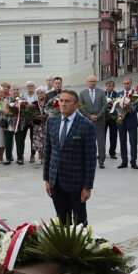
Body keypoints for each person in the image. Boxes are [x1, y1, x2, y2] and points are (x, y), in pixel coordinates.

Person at [43, 89, 96, 225]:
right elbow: (48, 151)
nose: (63, 104)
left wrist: (87, 186)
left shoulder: (86, 125)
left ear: (76, 104)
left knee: (80, 221)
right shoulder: (52, 122)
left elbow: (90, 159)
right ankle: (64, 245)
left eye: (67, 101)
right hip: (56, 181)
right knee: (62, 219)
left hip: (76, 182)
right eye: (61, 101)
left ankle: (80, 245)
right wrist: (47, 179)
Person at [79, 75, 107, 168]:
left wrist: (98, 116)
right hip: (87, 121)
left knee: (101, 141)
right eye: (90, 81)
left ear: (96, 82)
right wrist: (89, 116)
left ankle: (101, 160)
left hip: (100, 120)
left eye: (94, 81)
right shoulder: (82, 93)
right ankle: (88, 159)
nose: (92, 83)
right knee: (88, 141)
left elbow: (104, 105)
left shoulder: (102, 92)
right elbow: (80, 107)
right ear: (87, 82)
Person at [116, 77, 138, 169]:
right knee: (123, 142)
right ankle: (124, 161)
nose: (126, 85)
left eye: (128, 83)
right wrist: (120, 112)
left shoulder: (136, 94)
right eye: (124, 83)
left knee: (133, 142)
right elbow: (115, 107)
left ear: (131, 84)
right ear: (123, 84)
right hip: (121, 121)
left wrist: (131, 109)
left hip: (132, 122)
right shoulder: (118, 94)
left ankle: (133, 161)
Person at [2, 85, 28, 165]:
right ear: (10, 91)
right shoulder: (6, 99)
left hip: (20, 125)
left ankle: (20, 158)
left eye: (17, 89)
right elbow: (4, 109)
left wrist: (21, 113)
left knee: (20, 142)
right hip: (9, 124)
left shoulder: (23, 100)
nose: (15, 91)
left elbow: (26, 110)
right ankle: (8, 158)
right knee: (8, 142)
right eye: (14, 90)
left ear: (19, 91)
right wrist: (12, 113)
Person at [31, 87, 49, 164]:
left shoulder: (49, 102)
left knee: (47, 141)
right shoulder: (34, 103)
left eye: (41, 93)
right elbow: (31, 115)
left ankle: (47, 158)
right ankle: (40, 158)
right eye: (38, 93)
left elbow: (52, 112)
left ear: (45, 94)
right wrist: (39, 117)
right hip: (38, 126)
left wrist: (46, 116)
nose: (40, 94)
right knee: (38, 142)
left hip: (47, 125)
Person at [104, 80, 119, 159]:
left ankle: (112, 153)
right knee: (102, 136)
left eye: (109, 86)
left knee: (113, 136)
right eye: (106, 86)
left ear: (113, 87)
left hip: (113, 118)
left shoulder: (117, 94)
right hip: (104, 118)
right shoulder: (102, 94)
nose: (108, 87)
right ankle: (102, 152)